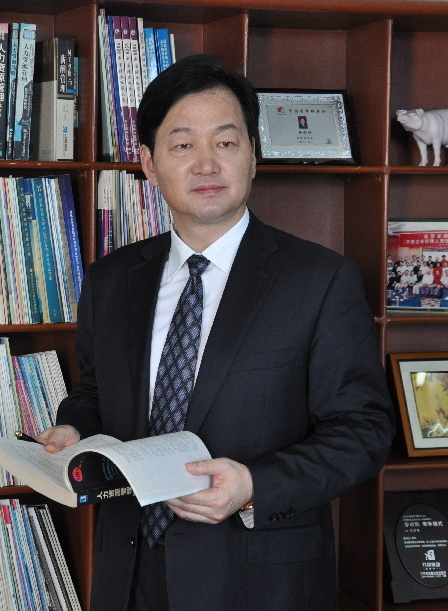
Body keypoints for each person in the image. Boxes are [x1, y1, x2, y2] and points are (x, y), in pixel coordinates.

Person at [35, 55, 394, 611]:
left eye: (226, 142)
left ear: (254, 154)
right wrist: (73, 428)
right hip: (129, 570)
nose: (206, 163)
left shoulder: (320, 280)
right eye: (183, 145)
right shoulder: (112, 280)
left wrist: (253, 484)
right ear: (149, 164)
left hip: (258, 580)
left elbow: (364, 430)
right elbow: (97, 392)